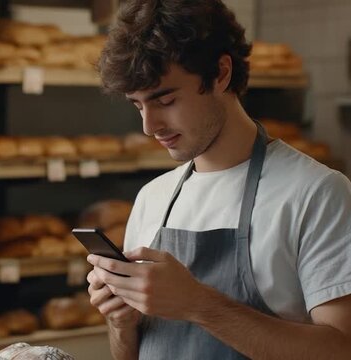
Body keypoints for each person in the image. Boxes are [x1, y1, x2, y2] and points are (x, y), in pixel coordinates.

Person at [86, 0, 351, 358]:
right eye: (138, 106)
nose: (150, 126)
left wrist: (199, 304)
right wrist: (122, 323)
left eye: (165, 100)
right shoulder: (153, 198)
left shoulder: (316, 193)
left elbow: (340, 348)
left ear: (221, 73)